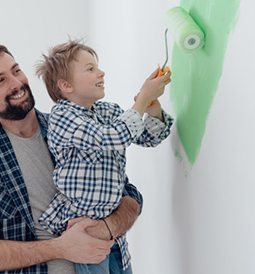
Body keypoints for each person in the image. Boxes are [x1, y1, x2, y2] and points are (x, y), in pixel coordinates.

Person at [0, 43, 144, 274]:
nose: (16, 83)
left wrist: (107, 227)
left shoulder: (71, 127)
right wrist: (61, 248)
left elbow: (130, 196)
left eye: (16, 71)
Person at [34, 40, 174, 274]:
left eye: (97, 67)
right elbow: (113, 136)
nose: (101, 73)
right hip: (85, 231)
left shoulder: (107, 111)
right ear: (66, 85)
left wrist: (150, 107)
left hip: (113, 229)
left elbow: (149, 137)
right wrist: (139, 103)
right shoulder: (62, 117)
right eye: (90, 69)